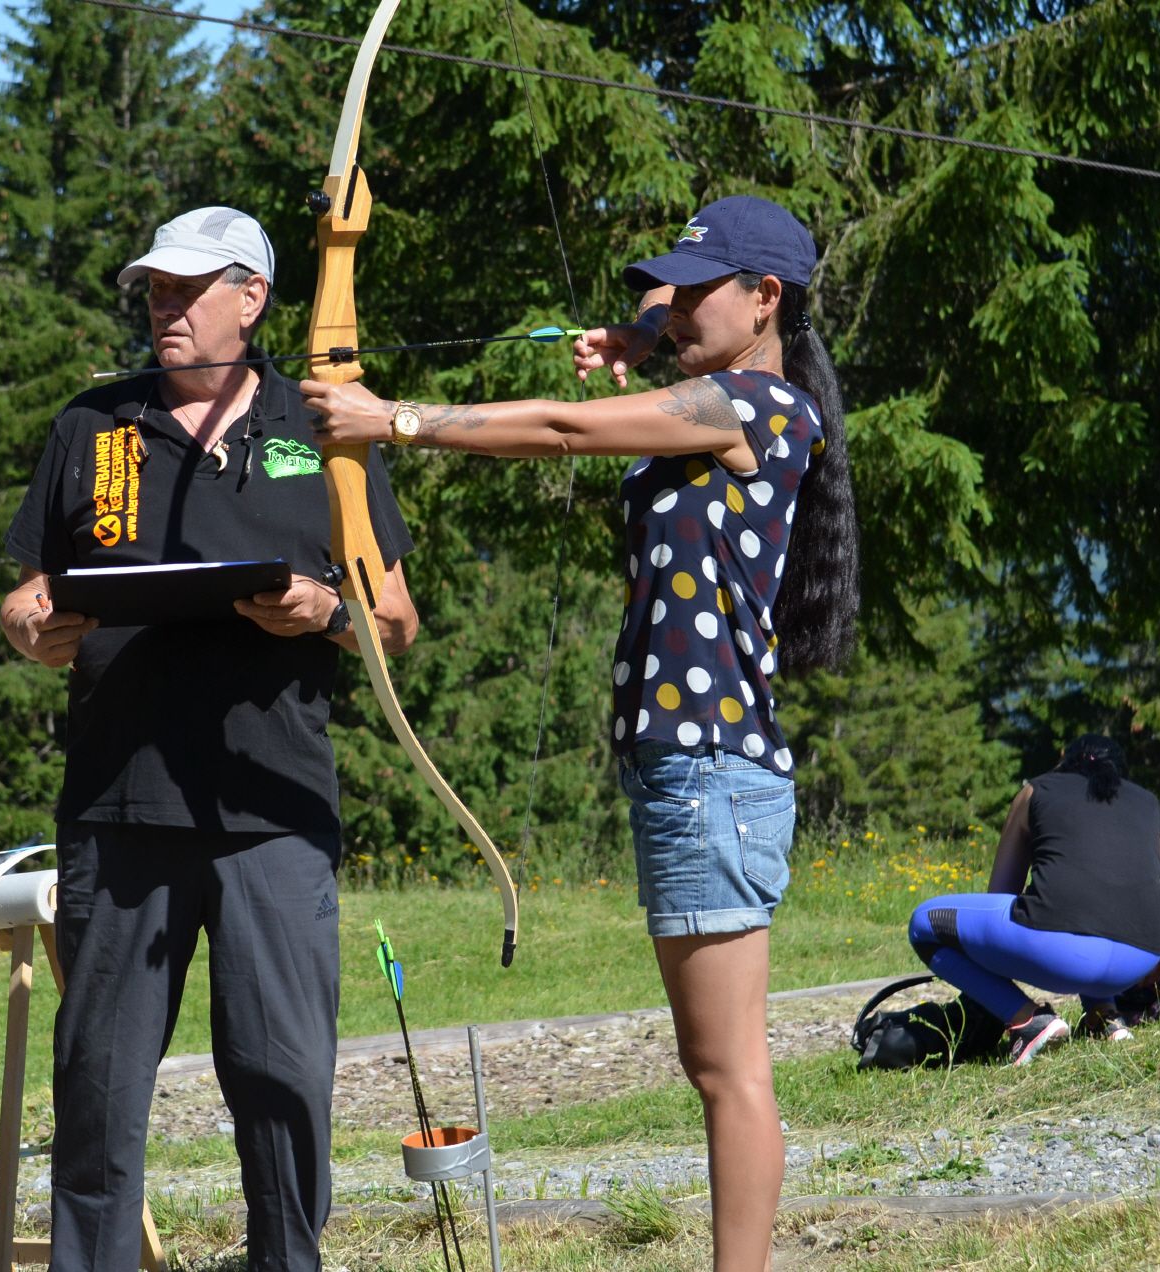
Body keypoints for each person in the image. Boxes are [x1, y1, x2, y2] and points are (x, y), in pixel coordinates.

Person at [304, 194, 859, 1272]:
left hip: (709, 768)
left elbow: (563, 427)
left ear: (768, 299)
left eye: (706, 290)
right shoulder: (740, 382)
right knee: (720, 1065)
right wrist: (643, 330)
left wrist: (393, 421)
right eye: (677, 287)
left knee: (727, 1070)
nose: (680, 304)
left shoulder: (754, 405)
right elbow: (665, 311)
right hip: (696, 766)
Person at [0, 205, 419, 1272]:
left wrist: (324, 614)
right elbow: (31, 595)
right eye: (154, 287)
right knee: (97, 1081)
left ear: (253, 298)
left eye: (189, 288)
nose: (165, 306)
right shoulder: (90, 425)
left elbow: (399, 620)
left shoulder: (324, 427)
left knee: (281, 1073)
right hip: (119, 801)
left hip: (272, 803)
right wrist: (29, 628)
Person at [907, 734, 1160, 1065]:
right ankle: (1105, 1018)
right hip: (1137, 961)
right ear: (1119, 774)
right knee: (1092, 911)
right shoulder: (1148, 805)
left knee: (923, 923)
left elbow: (1001, 895)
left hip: (1053, 953)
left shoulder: (1036, 791)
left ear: (1063, 761)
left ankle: (1027, 1021)